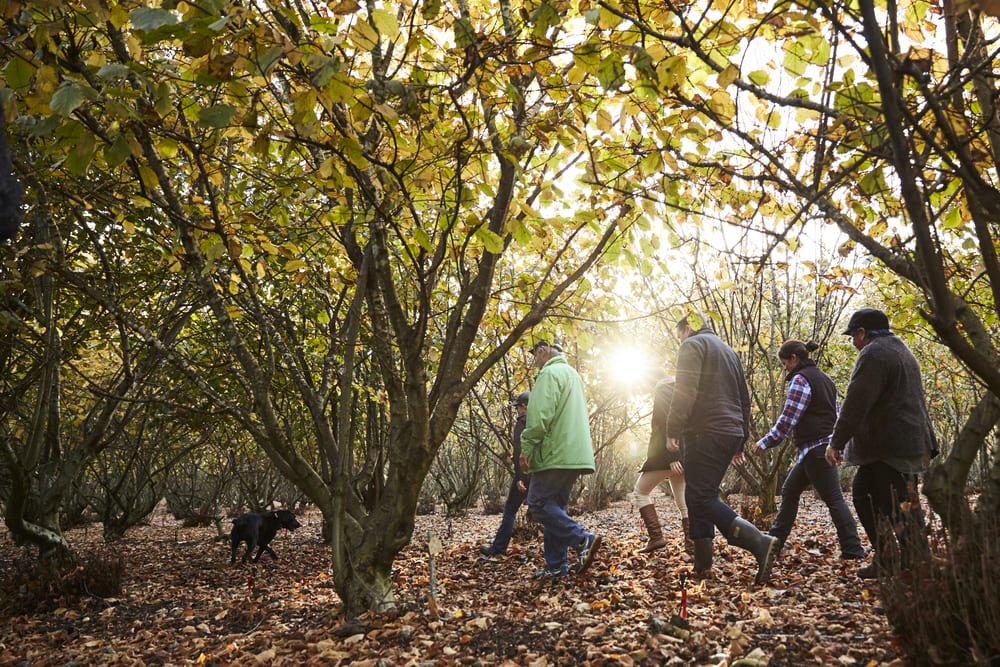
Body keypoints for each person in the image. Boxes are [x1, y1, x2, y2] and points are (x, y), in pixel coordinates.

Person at [825, 308, 938, 579]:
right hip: (904, 443)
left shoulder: (874, 353)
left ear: (863, 332)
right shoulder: (900, 349)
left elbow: (856, 402)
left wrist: (836, 442)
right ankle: (891, 559)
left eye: (853, 335)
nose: (853, 342)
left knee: (899, 508)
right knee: (874, 496)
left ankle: (917, 570)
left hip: (893, 446)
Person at [666, 313, 778, 584]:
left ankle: (760, 543)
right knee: (698, 495)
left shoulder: (692, 345)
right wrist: (740, 439)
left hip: (705, 431)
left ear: (688, 327)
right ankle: (703, 565)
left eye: (679, 333)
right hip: (729, 431)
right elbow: (744, 398)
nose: (679, 339)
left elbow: (684, 391)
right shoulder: (729, 352)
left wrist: (672, 429)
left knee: (702, 497)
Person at [753, 340, 865, 560]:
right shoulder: (826, 380)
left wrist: (766, 441)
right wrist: (837, 447)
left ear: (794, 358)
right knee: (790, 490)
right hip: (816, 450)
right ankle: (773, 543)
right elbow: (836, 416)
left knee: (834, 499)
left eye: (785, 362)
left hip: (817, 450)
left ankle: (853, 550)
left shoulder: (800, 380)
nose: (784, 367)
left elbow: (788, 419)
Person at [519, 340, 602, 578]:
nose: (535, 360)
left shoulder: (549, 373)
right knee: (556, 509)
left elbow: (540, 418)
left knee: (538, 504)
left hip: (554, 453)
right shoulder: (572, 375)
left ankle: (582, 539)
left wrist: (526, 448)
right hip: (573, 454)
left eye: (535, 354)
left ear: (542, 352)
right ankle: (557, 565)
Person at [633, 371, 693, 554]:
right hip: (684, 453)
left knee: (640, 492)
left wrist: (672, 457)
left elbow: (664, 421)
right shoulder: (682, 388)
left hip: (666, 455)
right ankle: (692, 545)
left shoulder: (662, 388)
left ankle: (656, 537)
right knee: (683, 502)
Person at [480, 392, 531, 556]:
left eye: (518, 407)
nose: (517, 410)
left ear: (524, 407)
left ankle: (498, 549)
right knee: (546, 509)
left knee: (510, 509)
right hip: (540, 472)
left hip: (525, 473)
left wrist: (520, 478)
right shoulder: (542, 423)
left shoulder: (522, 423)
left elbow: (520, 451)